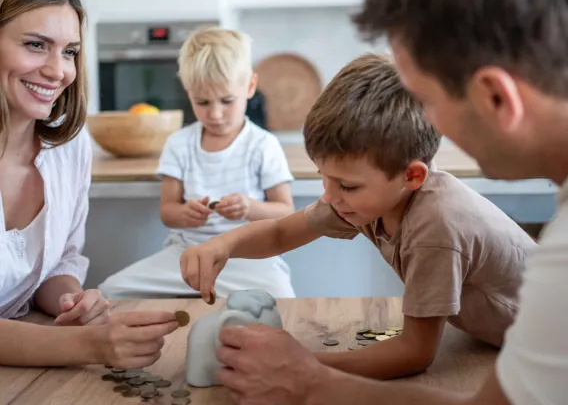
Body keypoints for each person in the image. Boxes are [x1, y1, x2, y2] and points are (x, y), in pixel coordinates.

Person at [199, 0, 568, 405]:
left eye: (428, 99)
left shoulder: (444, 219)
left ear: (495, 98)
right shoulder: (367, 198)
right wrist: (224, 245)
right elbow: (291, 228)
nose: (430, 125)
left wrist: (307, 378)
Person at [181, 52, 534, 381]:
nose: (331, 196)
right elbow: (280, 235)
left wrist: (300, 362)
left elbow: (414, 353)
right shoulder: (368, 199)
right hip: (501, 343)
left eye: (346, 185)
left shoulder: (436, 227)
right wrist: (222, 245)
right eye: (324, 176)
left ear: (411, 176)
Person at [0, 0, 178, 368]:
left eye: (70, 52)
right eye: (35, 44)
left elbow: (58, 261)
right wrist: (92, 346)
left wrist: (70, 299)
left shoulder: (68, 147)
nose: (58, 70)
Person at [100, 27, 296, 299]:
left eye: (227, 100)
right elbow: (168, 211)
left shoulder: (263, 145)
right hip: (186, 255)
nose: (214, 114)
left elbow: (286, 211)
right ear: (188, 92)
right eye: (202, 102)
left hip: (249, 258)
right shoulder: (179, 144)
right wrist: (185, 214)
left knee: (284, 301)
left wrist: (249, 207)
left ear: (250, 87)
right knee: (111, 291)